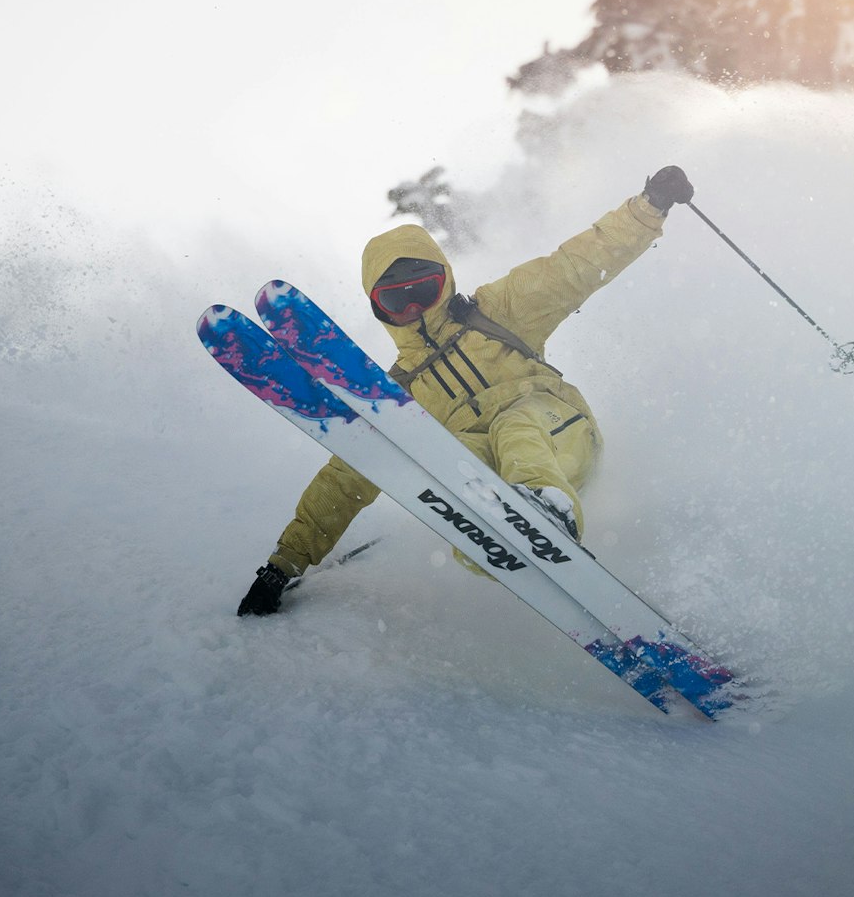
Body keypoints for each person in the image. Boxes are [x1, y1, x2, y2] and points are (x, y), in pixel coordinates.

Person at [235, 164, 696, 616]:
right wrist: (283, 564)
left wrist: (649, 206)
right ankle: (493, 540)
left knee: (514, 423)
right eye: (397, 300)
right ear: (380, 310)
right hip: (491, 474)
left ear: (446, 279)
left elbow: (578, 265)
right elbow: (346, 477)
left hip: (559, 435)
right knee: (454, 466)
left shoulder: (499, 310)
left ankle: (542, 511)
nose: (414, 309)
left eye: (425, 289)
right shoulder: (400, 395)